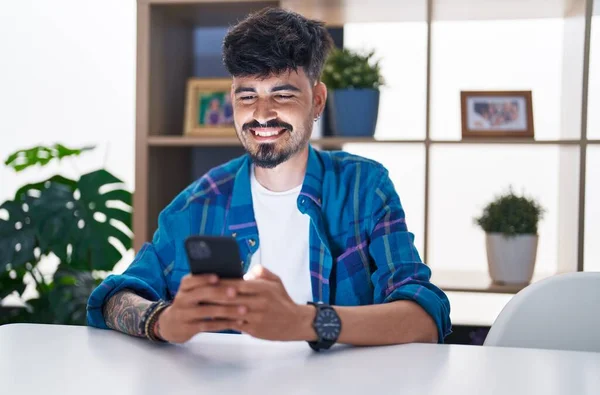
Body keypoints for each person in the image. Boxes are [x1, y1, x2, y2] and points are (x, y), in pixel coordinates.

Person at [87, 7, 451, 350]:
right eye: (248, 96)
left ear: (318, 100)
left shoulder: (364, 188)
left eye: (283, 93)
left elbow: (424, 317)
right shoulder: (196, 205)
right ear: (232, 99)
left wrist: (306, 322)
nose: (262, 115)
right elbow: (114, 298)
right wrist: (162, 321)